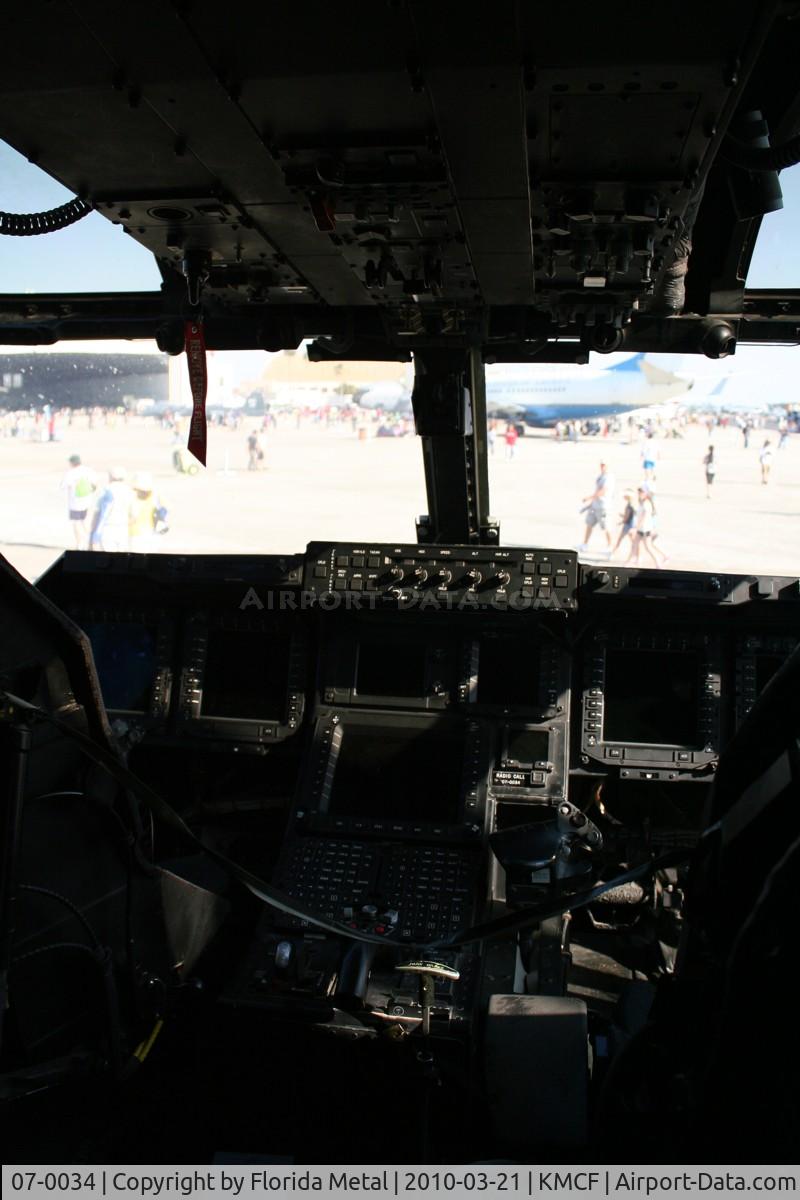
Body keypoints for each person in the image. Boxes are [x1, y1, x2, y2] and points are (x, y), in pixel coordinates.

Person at [90, 467, 134, 552]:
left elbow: (98, 513)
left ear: (110, 477)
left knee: (110, 557)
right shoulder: (129, 491)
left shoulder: (105, 490)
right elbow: (134, 515)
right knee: (123, 559)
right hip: (123, 528)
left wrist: (94, 533)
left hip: (107, 527)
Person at [60, 453, 97, 549]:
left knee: (77, 523)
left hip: (75, 503)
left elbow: (63, 486)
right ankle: (90, 541)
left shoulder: (71, 473)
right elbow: (95, 485)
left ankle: (80, 544)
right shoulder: (89, 471)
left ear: (72, 463)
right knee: (87, 522)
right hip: (88, 501)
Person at [578, 461, 615, 554]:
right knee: (589, 523)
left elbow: (603, 491)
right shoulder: (601, 476)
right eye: (601, 465)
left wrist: (589, 498)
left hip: (603, 506)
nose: (602, 467)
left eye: (604, 465)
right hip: (595, 505)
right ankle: (585, 544)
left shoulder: (608, 478)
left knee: (606, 527)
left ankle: (610, 546)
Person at [626, 487, 663, 567]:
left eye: (641, 493)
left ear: (646, 494)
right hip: (641, 529)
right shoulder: (642, 502)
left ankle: (658, 563)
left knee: (648, 547)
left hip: (645, 529)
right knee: (635, 545)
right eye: (639, 493)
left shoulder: (646, 503)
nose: (639, 494)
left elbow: (644, 517)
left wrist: (635, 528)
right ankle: (629, 562)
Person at [129, 472, 165, 552]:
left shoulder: (133, 498)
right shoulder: (156, 496)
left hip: (136, 533)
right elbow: (165, 510)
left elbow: (132, 517)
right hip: (152, 533)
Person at [612, 491, 636, 557]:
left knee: (619, 540)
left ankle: (613, 553)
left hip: (628, 526)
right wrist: (623, 515)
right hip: (632, 525)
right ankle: (636, 555)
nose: (623, 497)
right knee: (634, 541)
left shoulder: (629, 506)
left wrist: (620, 522)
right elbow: (630, 516)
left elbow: (626, 518)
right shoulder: (632, 505)